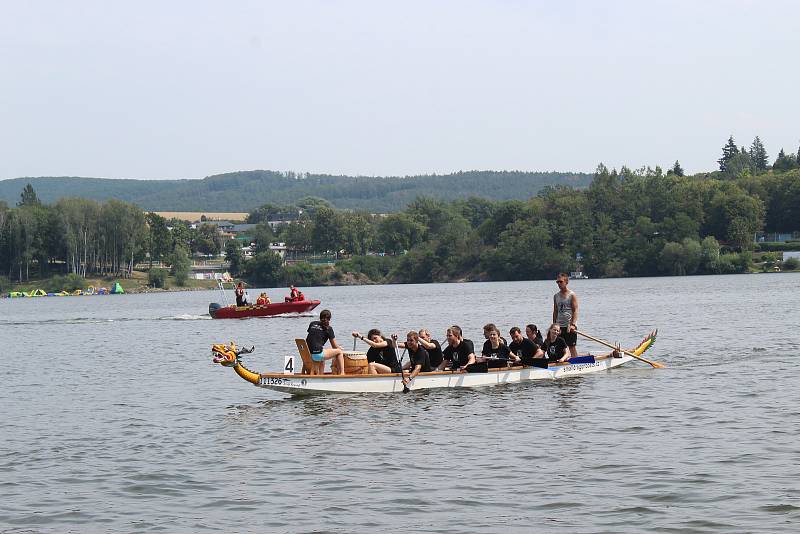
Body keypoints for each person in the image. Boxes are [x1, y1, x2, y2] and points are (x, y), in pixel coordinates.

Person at [306, 309, 344, 375]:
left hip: (308, 353)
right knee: (339, 352)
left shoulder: (312, 323)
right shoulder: (329, 329)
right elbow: (334, 346)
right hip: (317, 355)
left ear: (320, 317)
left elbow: (312, 338)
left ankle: (320, 375)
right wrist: (340, 348)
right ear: (329, 319)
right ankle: (342, 373)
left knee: (322, 353)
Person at [553, 272, 579, 359]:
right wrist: (554, 325)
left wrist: (573, 324)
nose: (559, 284)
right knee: (560, 347)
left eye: (561, 282)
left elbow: (575, 311)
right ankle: (561, 363)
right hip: (559, 326)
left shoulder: (572, 295)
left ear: (566, 282)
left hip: (569, 326)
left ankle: (576, 362)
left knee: (571, 347)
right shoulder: (556, 296)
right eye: (557, 282)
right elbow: (555, 311)